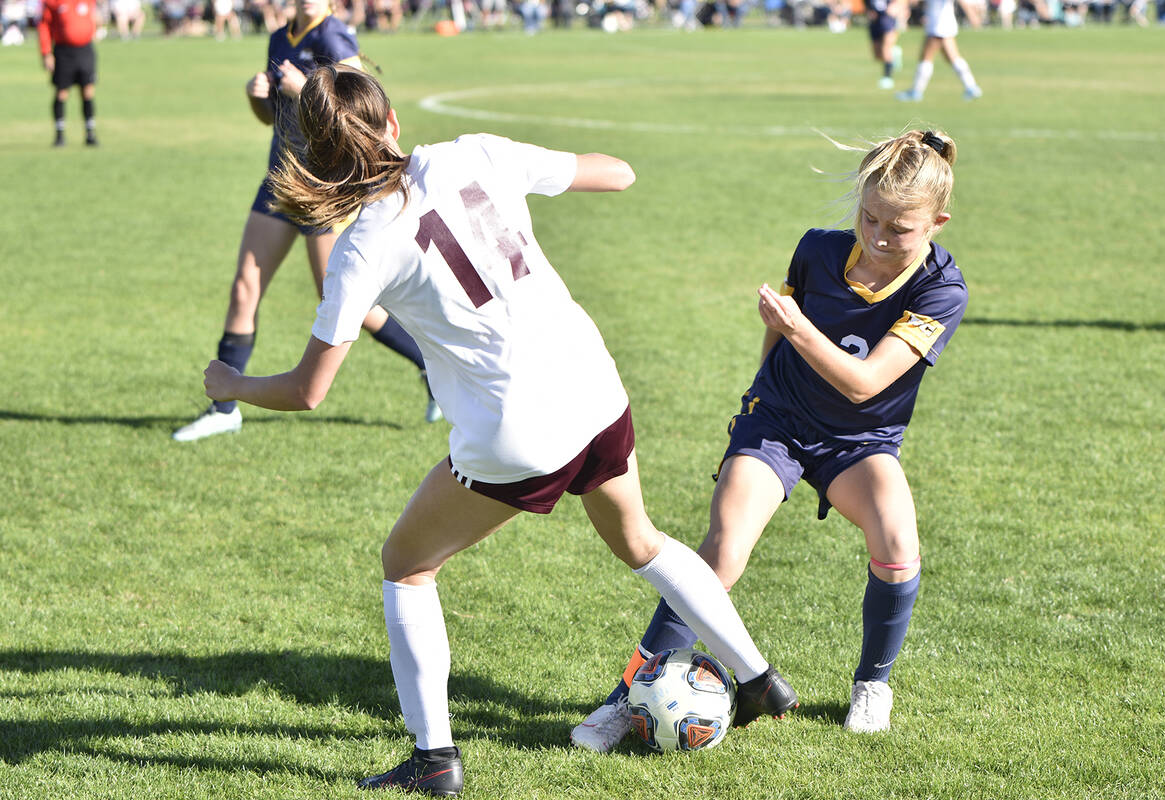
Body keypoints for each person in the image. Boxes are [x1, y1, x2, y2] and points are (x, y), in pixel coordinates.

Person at [202, 63, 799, 796]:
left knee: (406, 564)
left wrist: (230, 384)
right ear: (392, 123)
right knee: (642, 542)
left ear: (322, 167)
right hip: (595, 386)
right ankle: (760, 679)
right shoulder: (472, 153)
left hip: (517, 430)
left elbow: (307, 390)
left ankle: (435, 760)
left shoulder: (361, 247)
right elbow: (618, 174)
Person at [571, 129, 968, 752]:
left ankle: (873, 684)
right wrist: (756, 401)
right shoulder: (816, 251)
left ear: (937, 222)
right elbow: (776, 342)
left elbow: (864, 384)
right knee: (721, 553)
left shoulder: (942, 290)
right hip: (778, 421)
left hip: (860, 438)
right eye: (870, 217)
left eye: (901, 227)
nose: (880, 236)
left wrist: (798, 327)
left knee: (897, 543)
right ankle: (627, 696)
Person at [173, 0, 436, 443]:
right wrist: (257, 98)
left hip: (322, 185)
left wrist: (306, 87)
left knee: (343, 299)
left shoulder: (334, 38)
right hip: (280, 181)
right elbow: (273, 118)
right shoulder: (279, 38)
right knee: (245, 285)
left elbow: (363, 115)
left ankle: (429, 365)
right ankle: (223, 409)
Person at [38, 0, 99, 147]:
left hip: (85, 50)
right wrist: (46, 52)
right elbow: (44, 25)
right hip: (63, 51)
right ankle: (60, 135)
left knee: (88, 91)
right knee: (62, 92)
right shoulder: (53, 2)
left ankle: (90, 133)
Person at [896, 0, 982, 101]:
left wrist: (971, 15)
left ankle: (916, 91)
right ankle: (971, 87)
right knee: (952, 57)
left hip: (939, 25)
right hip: (940, 24)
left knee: (926, 57)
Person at [865, 0, 906, 89]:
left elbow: (900, 3)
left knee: (886, 49)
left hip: (887, 19)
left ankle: (887, 78)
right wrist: (869, 11)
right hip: (875, 21)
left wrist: (898, 10)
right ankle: (894, 52)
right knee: (878, 55)